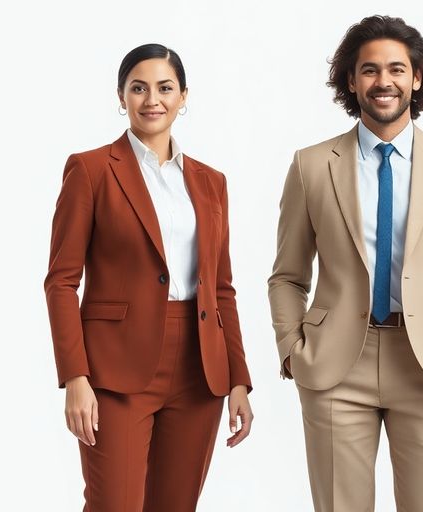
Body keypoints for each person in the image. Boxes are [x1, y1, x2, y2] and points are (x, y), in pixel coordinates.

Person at [268, 15, 423, 512]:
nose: (384, 82)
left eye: (397, 69)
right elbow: (288, 275)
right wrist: (292, 347)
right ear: (351, 81)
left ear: (416, 78)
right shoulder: (311, 165)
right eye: (370, 70)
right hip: (336, 366)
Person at [44, 43, 253, 511]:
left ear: (183, 96)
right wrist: (75, 376)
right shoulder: (92, 169)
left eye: (164, 87)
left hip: (199, 367)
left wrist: (239, 377)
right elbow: (60, 282)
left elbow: (222, 289)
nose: (151, 99)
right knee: (113, 504)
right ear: (122, 97)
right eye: (138, 88)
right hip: (115, 367)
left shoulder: (210, 181)